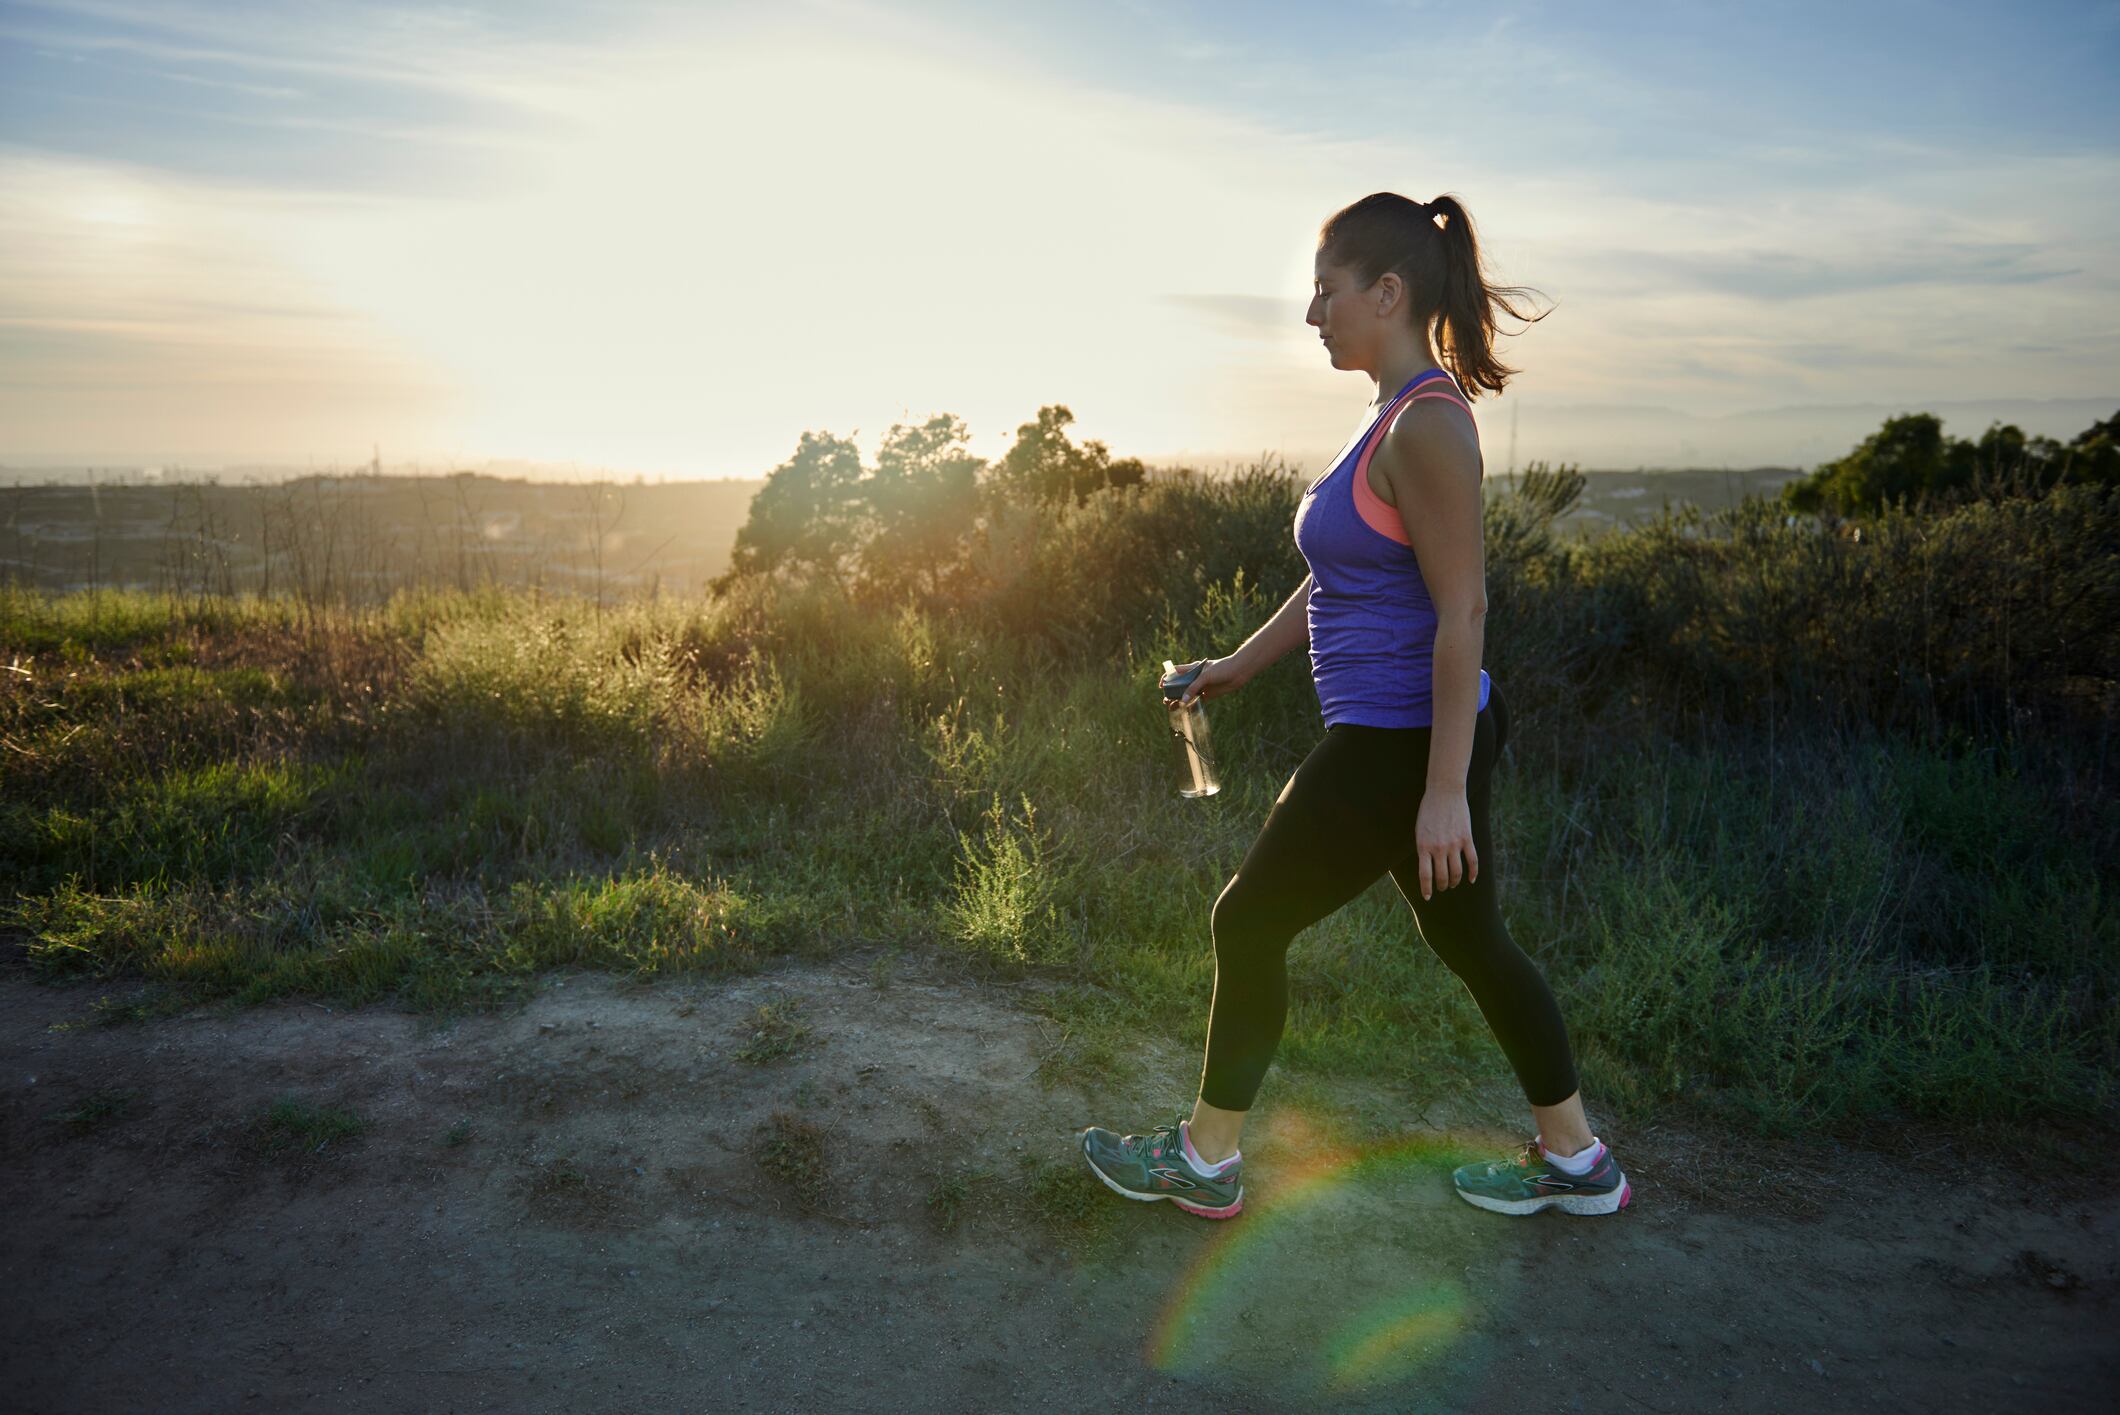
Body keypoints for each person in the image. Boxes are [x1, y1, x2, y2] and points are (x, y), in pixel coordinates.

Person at [1079, 192, 1631, 1221]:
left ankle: (1202, 1159)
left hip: (1402, 737)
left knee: (1245, 920)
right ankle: (1576, 1159)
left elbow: (1463, 608)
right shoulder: (1387, 417)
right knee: (1471, 942)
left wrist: (1440, 791)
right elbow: (1337, 574)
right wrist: (1239, 662)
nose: (1310, 314)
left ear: (1385, 293)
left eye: (1324, 290)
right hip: (1399, 735)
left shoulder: (1425, 424)